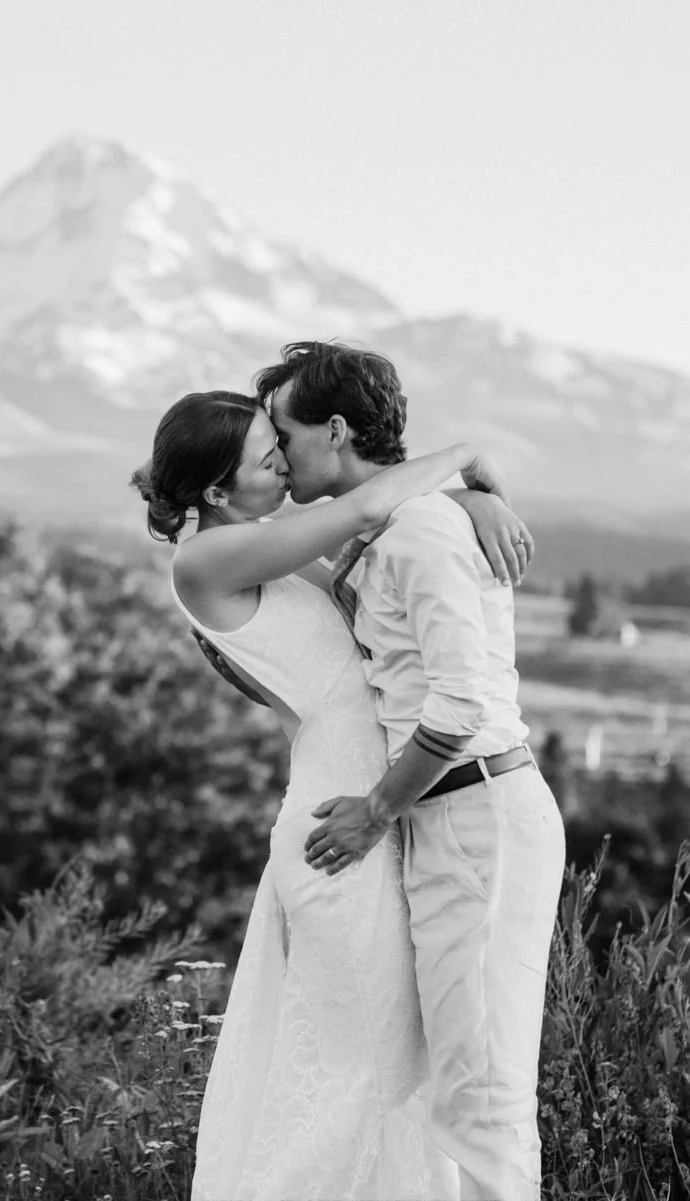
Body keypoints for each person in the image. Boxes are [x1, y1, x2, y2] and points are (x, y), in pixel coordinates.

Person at [131, 388, 531, 1200]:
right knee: (368, 1073)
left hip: (374, 817)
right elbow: (361, 510)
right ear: (215, 489)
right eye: (264, 451)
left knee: (397, 1068)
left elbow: (373, 547)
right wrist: (464, 457)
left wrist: (464, 504)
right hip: (339, 830)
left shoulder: (266, 543)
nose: (282, 456)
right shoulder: (205, 561)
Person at [263, 341, 566, 1201]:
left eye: (284, 435)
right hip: (448, 817)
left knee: (485, 1095)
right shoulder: (395, 525)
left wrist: (374, 811)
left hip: (480, 816)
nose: (279, 457)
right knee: (458, 1086)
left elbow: (462, 704)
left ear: (334, 429)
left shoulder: (425, 530)